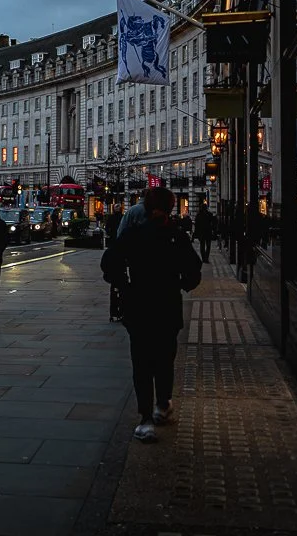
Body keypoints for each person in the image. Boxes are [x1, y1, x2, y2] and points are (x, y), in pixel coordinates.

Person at [101, 186, 201, 444]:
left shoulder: (134, 235)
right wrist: (181, 283)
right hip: (167, 305)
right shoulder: (176, 236)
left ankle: (145, 419)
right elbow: (193, 271)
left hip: (139, 305)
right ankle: (163, 404)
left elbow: (109, 262)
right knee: (165, 358)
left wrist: (124, 286)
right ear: (171, 208)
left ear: (145, 208)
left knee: (142, 362)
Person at [104, 203, 124, 322]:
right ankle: (118, 312)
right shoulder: (122, 218)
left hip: (114, 246)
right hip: (117, 247)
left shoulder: (115, 218)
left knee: (115, 290)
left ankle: (115, 312)